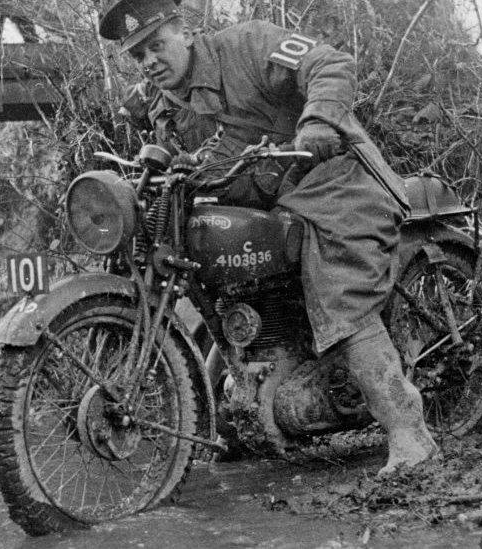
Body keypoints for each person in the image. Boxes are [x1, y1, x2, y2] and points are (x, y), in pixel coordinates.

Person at [98, 0, 439, 476]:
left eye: (157, 44)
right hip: (268, 202)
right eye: (138, 56)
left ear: (188, 32)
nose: (150, 61)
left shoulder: (248, 44)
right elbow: (204, 158)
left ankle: (410, 435)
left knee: (338, 287)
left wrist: (318, 119)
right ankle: (241, 410)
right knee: (214, 282)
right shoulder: (163, 106)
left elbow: (330, 62)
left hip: (335, 180)